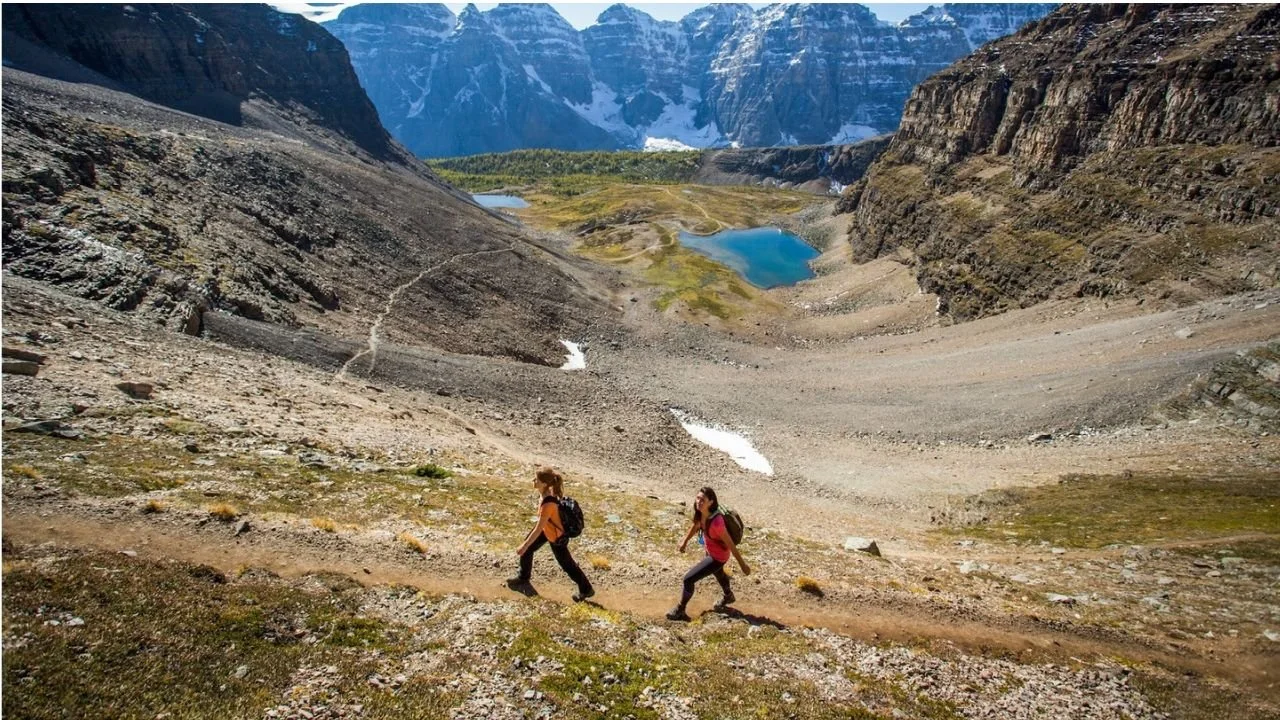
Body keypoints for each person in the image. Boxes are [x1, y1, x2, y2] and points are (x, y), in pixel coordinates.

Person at [507, 466, 594, 602]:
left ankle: (586, 589)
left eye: (536, 479)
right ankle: (523, 577)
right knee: (529, 549)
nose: (533, 480)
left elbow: (538, 528)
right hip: (547, 531)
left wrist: (523, 546)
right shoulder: (547, 493)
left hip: (556, 537)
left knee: (567, 565)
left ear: (544, 483)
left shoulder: (548, 504)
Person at [666, 486, 750, 621]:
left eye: (702, 499)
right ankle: (728, 595)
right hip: (711, 553)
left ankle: (680, 609)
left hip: (718, 557)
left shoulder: (717, 523)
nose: (699, 501)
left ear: (711, 502)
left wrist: (743, 565)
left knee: (688, 579)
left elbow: (731, 545)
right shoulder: (701, 513)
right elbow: (696, 525)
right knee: (719, 573)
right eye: (698, 498)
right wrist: (685, 541)